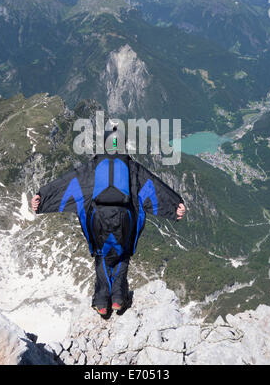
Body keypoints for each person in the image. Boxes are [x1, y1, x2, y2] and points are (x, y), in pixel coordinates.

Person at [31, 126, 185, 316]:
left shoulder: (91, 168)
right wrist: (175, 205)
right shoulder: (132, 167)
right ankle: (119, 299)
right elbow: (155, 188)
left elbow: (65, 183)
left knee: (102, 256)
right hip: (124, 220)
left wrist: (42, 197)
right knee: (122, 255)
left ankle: (102, 302)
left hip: (98, 220)